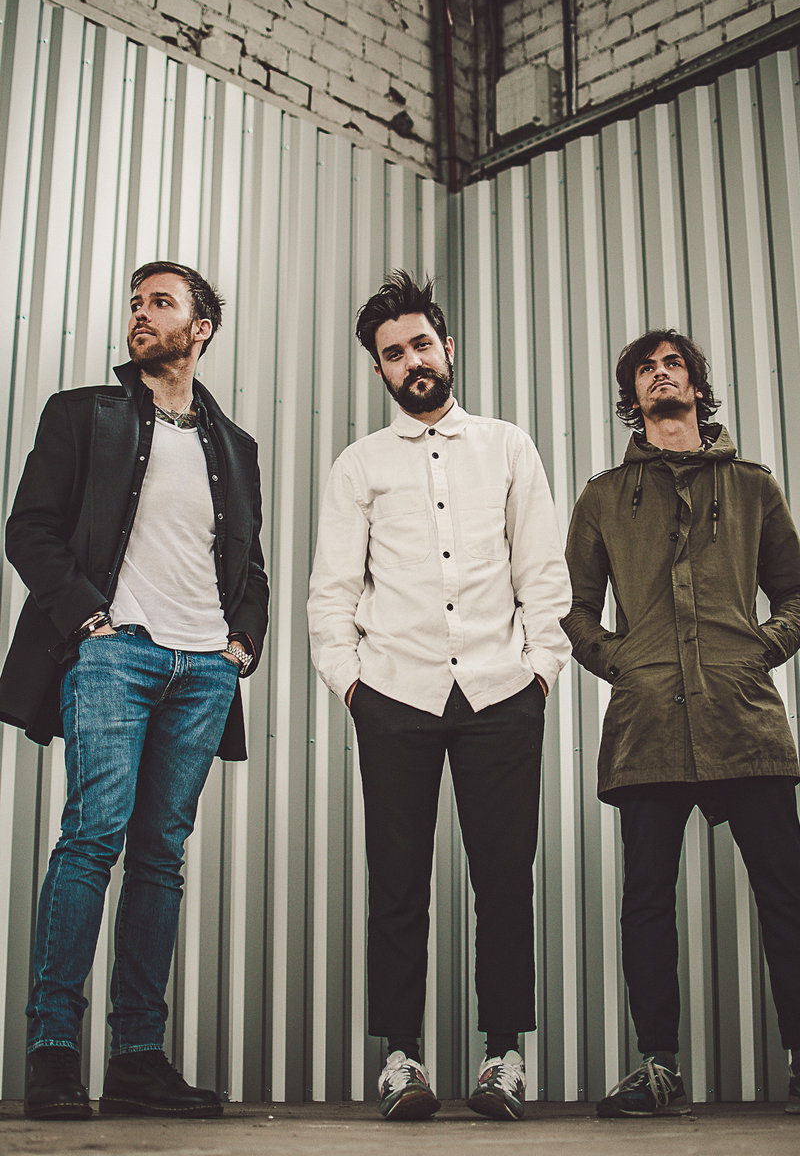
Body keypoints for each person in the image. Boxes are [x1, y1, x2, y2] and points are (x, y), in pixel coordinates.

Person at [0, 261, 269, 1120]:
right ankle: (53, 1053)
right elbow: (30, 531)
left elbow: (251, 569)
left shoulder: (235, 446)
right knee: (91, 840)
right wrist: (91, 621)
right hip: (117, 655)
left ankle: (137, 1061)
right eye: (135, 303)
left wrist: (239, 645)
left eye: (161, 302)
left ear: (202, 327)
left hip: (204, 670)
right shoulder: (83, 414)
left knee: (160, 859)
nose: (141, 315)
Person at [307, 270, 571, 1121]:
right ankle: (401, 1059)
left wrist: (540, 671)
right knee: (396, 884)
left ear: (448, 348)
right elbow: (332, 591)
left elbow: (543, 573)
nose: (411, 361)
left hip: (501, 692)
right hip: (394, 695)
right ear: (380, 370)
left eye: (421, 344)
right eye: (394, 354)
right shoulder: (360, 465)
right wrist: (352, 685)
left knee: (504, 880)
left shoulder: (508, 447)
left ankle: (504, 1057)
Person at [562, 329, 800, 1117]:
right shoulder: (603, 496)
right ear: (632, 395)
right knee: (646, 899)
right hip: (649, 724)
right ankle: (657, 1067)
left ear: (697, 386)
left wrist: (762, 649)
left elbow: (795, 591)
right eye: (645, 368)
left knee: (787, 891)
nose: (661, 375)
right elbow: (573, 608)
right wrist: (625, 664)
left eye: (674, 365)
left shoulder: (755, 487)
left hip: (744, 718)